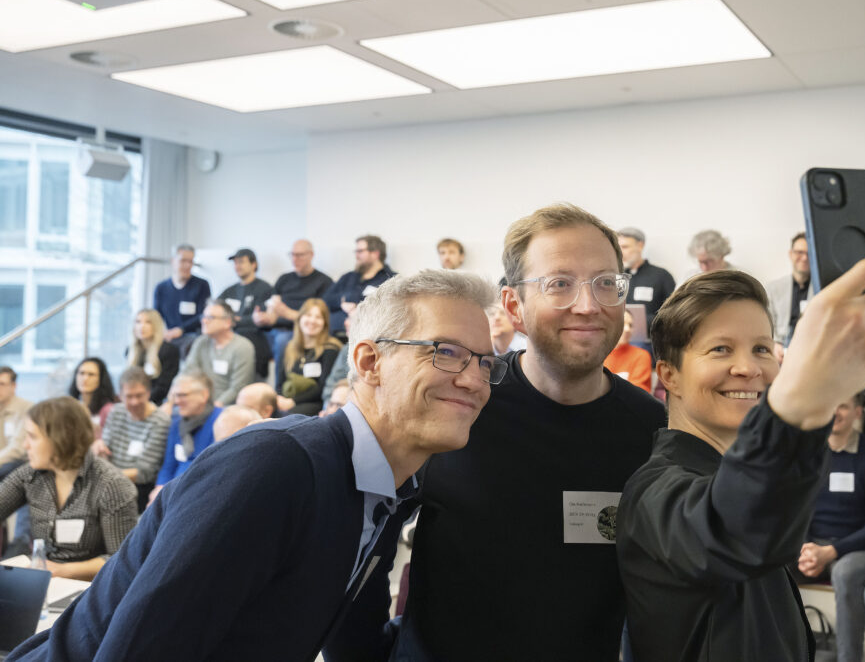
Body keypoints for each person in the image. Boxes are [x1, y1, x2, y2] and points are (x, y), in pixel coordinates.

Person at [8, 269, 500, 661]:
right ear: (369, 363)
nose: (476, 381)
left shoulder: (391, 491)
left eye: (484, 362)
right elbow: (140, 650)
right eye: (448, 353)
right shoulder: (274, 465)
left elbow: (356, 642)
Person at [394, 203, 667, 662]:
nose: (588, 305)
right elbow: (361, 551)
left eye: (606, 283)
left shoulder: (653, 429)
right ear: (513, 306)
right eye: (559, 284)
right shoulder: (458, 402)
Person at [615, 260, 865, 662]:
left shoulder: (735, 471)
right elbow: (734, 531)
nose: (749, 368)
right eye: (721, 349)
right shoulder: (654, 491)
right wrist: (803, 398)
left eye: (761, 349)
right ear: (669, 375)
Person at [793, 392, 865, 662]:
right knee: (769, 564)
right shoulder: (811, 454)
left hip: (859, 550)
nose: (835, 412)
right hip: (815, 545)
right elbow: (802, 511)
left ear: (858, 412)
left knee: (846, 575)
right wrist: (805, 548)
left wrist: (830, 552)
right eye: (830, 405)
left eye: (844, 406)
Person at [0, 397, 137, 580]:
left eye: (32, 437)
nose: (25, 445)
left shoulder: (111, 485)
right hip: (45, 583)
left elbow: (123, 558)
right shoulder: (31, 475)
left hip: (91, 589)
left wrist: (64, 570)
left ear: (60, 439)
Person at [92, 368, 171, 514]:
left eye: (139, 395)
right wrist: (99, 446)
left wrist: (106, 478)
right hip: (110, 481)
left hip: (139, 489)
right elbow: (106, 452)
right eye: (129, 396)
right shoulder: (116, 412)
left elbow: (145, 472)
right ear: (120, 396)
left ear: (148, 393)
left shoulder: (160, 421)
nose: (134, 402)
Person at [253, 239, 333, 370]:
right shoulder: (284, 279)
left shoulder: (324, 282)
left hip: (299, 330)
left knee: (282, 340)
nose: (295, 259)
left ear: (311, 255)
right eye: (292, 255)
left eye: (300, 255)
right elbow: (272, 304)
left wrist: (288, 314)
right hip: (274, 328)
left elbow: (322, 318)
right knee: (250, 334)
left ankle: (279, 386)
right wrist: (263, 318)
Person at [151, 372, 222, 501]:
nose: (176, 401)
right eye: (175, 396)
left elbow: (214, 471)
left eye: (182, 395)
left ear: (204, 395)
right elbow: (168, 466)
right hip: (174, 492)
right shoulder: (177, 423)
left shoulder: (221, 421)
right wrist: (159, 488)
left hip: (202, 494)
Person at [181, 300, 256, 406]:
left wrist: (214, 408)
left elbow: (238, 388)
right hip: (198, 402)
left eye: (210, 317)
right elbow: (186, 373)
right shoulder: (201, 342)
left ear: (227, 322)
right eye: (203, 317)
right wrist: (172, 400)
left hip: (226, 407)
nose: (204, 321)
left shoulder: (243, 347)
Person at [276, 298, 342, 416]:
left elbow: (322, 387)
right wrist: (281, 400)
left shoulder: (330, 349)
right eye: (308, 315)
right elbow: (279, 384)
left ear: (324, 323)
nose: (312, 321)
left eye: (318, 317)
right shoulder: (289, 347)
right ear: (300, 318)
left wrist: (293, 401)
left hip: (314, 403)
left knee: (289, 416)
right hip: (287, 400)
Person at [218, 247, 274, 378]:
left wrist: (235, 321)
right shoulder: (229, 291)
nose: (237, 266)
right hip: (227, 334)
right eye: (235, 263)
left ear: (253, 264)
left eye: (241, 262)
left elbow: (259, 320)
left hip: (254, 336)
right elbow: (215, 310)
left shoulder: (264, 289)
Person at [324, 235, 398, 333]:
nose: (356, 256)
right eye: (356, 251)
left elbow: (391, 309)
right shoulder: (348, 277)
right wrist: (341, 303)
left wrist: (359, 309)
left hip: (368, 334)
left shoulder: (391, 280)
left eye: (360, 251)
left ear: (375, 254)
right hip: (334, 332)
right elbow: (326, 300)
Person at [618, 227, 675, 347]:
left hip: (649, 340)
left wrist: (645, 321)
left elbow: (673, 312)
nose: (621, 253)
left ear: (640, 245)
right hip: (619, 338)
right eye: (618, 248)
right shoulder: (617, 277)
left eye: (625, 247)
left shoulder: (661, 276)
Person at [152, 244, 211, 355]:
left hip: (192, 334)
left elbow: (203, 315)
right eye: (183, 261)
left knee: (191, 347)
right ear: (173, 261)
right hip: (168, 334)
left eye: (190, 261)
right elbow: (156, 316)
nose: (187, 265)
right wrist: (164, 333)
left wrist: (181, 329)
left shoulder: (202, 285)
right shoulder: (161, 288)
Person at [0, 366, 32, 555]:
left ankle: (18, 547)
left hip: (19, 464)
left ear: (14, 386)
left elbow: (17, 449)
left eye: (2, 384)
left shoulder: (26, 408)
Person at [766, 232, 813, 361]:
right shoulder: (774, 289)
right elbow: (767, 322)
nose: (804, 258)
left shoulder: (823, 289)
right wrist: (774, 344)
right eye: (799, 252)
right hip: (781, 351)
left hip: (811, 350)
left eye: (809, 253)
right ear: (791, 254)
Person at [126, 308, 179, 405]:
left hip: (156, 403)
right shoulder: (130, 351)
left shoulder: (168, 350)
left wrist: (141, 401)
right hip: (133, 401)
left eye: (148, 322)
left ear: (156, 326)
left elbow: (164, 387)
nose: (142, 326)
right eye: (138, 322)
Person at [603, 309, 652, 392]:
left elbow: (637, 392)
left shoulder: (641, 355)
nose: (627, 329)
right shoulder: (599, 355)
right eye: (623, 323)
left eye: (630, 325)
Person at [68, 357, 117, 437]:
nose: (85, 378)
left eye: (91, 374)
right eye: (81, 373)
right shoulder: (71, 405)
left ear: (101, 379)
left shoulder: (109, 410)